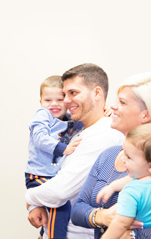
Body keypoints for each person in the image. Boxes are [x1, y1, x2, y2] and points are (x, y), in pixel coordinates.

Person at [26, 63, 124, 239]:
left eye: (73, 93)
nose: (65, 101)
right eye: (65, 94)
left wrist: (30, 198)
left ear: (97, 93)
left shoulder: (104, 135)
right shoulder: (76, 130)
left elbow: (59, 192)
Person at [71, 71, 151, 239]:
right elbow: (77, 211)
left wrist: (130, 235)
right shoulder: (108, 155)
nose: (112, 106)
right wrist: (103, 216)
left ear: (145, 115)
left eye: (122, 102)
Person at [25, 75, 83, 239]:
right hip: (40, 174)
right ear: (41, 102)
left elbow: (90, 120)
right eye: (48, 100)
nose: (54, 104)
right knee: (60, 204)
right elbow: (40, 138)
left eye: (59, 99)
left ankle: (45, 233)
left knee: (55, 209)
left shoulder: (70, 120)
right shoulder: (43, 115)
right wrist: (64, 149)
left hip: (54, 175)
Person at [99, 123, 151, 239]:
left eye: (128, 157)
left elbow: (121, 223)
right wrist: (112, 187)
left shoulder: (131, 192)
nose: (122, 159)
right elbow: (135, 178)